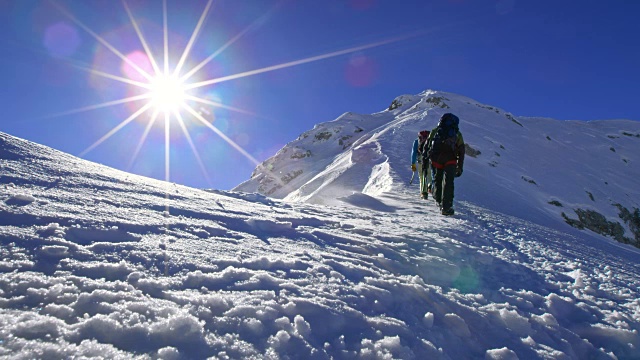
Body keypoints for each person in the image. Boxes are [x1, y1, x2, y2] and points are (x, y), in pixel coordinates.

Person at [425, 113, 465, 215]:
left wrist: (426, 156)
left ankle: (438, 200)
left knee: (437, 178)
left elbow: (428, 143)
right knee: (449, 182)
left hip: (436, 158)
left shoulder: (436, 130)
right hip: (450, 159)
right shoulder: (457, 133)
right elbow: (461, 150)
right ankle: (446, 207)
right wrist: (460, 166)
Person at [410, 130, 431, 199]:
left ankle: (423, 193)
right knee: (429, 175)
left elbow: (413, 153)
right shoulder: (430, 141)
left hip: (420, 161)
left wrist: (413, 163)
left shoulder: (416, 142)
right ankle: (430, 186)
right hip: (429, 161)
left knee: (422, 177)